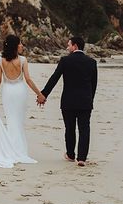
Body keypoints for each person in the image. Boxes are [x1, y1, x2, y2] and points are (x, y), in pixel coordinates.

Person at [0, 35, 44, 168]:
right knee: (18, 121)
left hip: (7, 91)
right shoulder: (22, 60)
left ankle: (10, 149)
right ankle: (18, 150)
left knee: (11, 120)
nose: (22, 46)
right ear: (15, 46)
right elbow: (28, 79)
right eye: (20, 44)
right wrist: (39, 94)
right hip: (20, 91)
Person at [38, 36, 97, 167]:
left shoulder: (65, 61)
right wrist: (89, 100)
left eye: (69, 45)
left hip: (68, 101)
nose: (67, 47)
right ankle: (81, 158)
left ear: (75, 46)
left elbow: (54, 78)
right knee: (84, 129)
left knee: (69, 128)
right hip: (85, 102)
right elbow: (94, 85)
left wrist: (43, 94)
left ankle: (71, 155)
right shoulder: (92, 62)